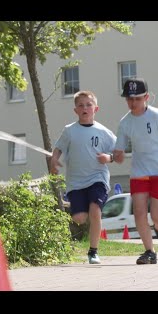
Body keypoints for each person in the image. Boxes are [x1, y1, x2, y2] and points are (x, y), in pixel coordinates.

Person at [113, 78, 158, 265]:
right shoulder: (125, 122)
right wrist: (117, 155)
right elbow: (119, 150)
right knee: (139, 212)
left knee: (156, 216)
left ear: (147, 97)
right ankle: (149, 252)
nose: (133, 103)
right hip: (139, 171)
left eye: (137, 99)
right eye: (129, 99)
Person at [50, 90, 116, 265]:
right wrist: (54, 160)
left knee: (95, 211)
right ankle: (84, 207)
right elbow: (58, 148)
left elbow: (119, 152)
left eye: (88, 105)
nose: (85, 108)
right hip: (76, 182)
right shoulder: (69, 131)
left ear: (96, 109)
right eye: (81, 105)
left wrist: (109, 158)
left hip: (98, 178)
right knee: (79, 218)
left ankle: (93, 252)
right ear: (75, 110)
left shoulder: (103, 132)